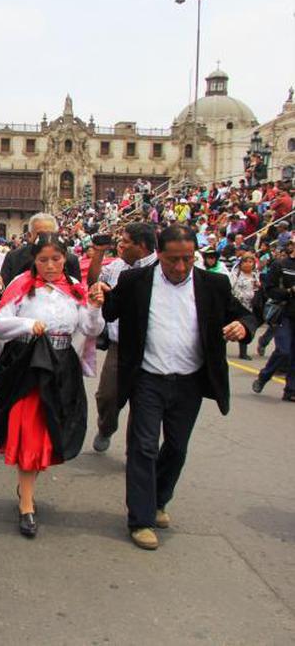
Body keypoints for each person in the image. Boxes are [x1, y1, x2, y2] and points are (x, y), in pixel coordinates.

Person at [100, 224, 256, 550]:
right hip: (147, 377)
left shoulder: (213, 284)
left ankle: (158, 500)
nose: (181, 266)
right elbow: (110, 310)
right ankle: (140, 519)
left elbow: (244, 314)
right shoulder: (135, 281)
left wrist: (242, 326)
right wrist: (100, 292)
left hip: (189, 381)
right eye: (173, 259)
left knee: (177, 447)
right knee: (143, 447)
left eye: (188, 258)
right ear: (158, 254)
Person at [0, 233, 105, 538]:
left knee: (50, 432)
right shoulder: (21, 286)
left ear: (65, 258)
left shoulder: (75, 289)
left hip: (62, 367)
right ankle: (26, 504)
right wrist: (27, 324)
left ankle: (26, 486)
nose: (50, 265)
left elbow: (90, 328)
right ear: (34, 260)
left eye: (56, 259)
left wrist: (94, 307)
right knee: (29, 431)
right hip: (28, 366)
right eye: (43, 260)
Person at [89, 223, 157, 452]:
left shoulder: (161, 268)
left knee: (144, 402)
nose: (121, 245)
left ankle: (136, 450)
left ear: (142, 245)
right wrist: (98, 255)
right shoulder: (117, 267)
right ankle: (106, 427)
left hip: (152, 347)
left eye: (126, 242)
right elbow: (94, 281)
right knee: (108, 395)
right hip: (121, 346)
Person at [252, 239, 295, 401]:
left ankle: (291, 390)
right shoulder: (281, 265)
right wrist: (289, 291)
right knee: (284, 350)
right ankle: (263, 377)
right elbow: (269, 290)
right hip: (285, 314)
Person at [0, 213, 81, 285]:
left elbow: (76, 291)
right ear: (29, 236)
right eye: (40, 234)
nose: (44, 238)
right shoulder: (13, 257)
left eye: (49, 234)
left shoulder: (71, 260)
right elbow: (4, 290)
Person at [230, 254, 259, 360]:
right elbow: (230, 287)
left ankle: (243, 353)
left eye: (250, 262)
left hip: (249, 306)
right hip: (236, 305)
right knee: (230, 327)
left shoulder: (255, 275)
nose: (247, 264)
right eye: (245, 262)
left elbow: (256, 289)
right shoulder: (235, 274)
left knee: (245, 328)